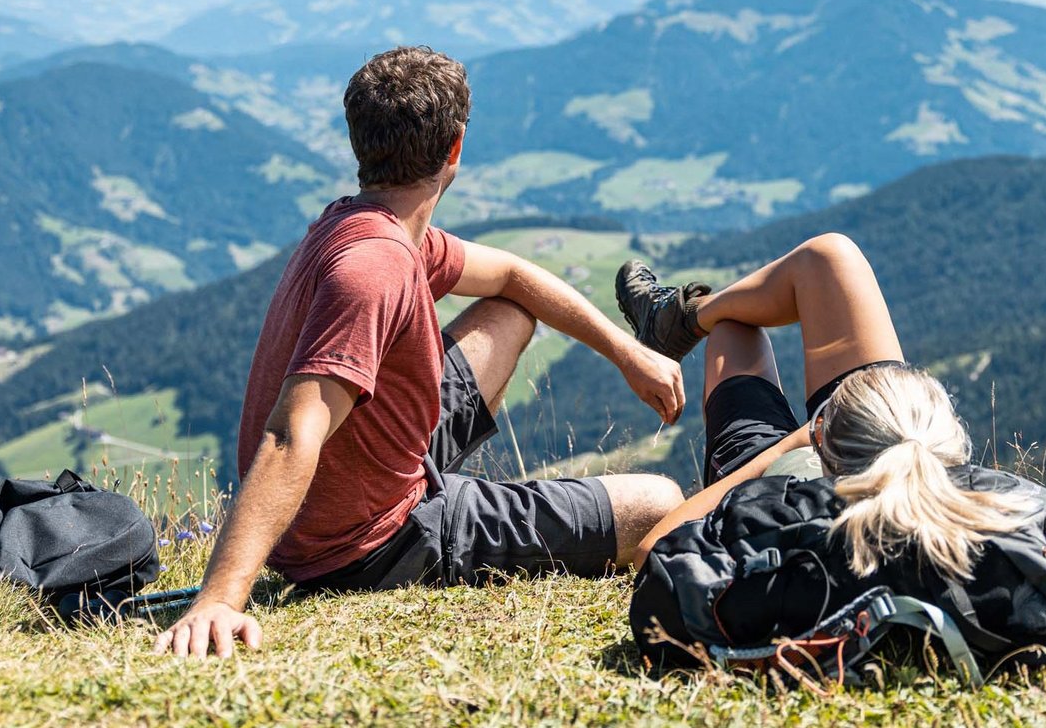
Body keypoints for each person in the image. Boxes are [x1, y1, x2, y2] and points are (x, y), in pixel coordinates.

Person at [155, 46, 687, 658]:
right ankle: (455, 512)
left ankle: (438, 481)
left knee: (510, 314)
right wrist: (222, 596)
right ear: (455, 148)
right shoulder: (375, 267)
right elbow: (290, 434)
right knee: (659, 504)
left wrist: (626, 351)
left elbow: (514, 276)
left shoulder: (372, 226)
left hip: (363, 475)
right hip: (366, 543)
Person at [615, 233, 1036, 572]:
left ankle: (679, 320)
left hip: (771, 476)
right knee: (828, 256)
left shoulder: (808, 530)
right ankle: (682, 318)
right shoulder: (1007, 528)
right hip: (898, 439)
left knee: (733, 329)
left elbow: (655, 550)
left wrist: (797, 442)